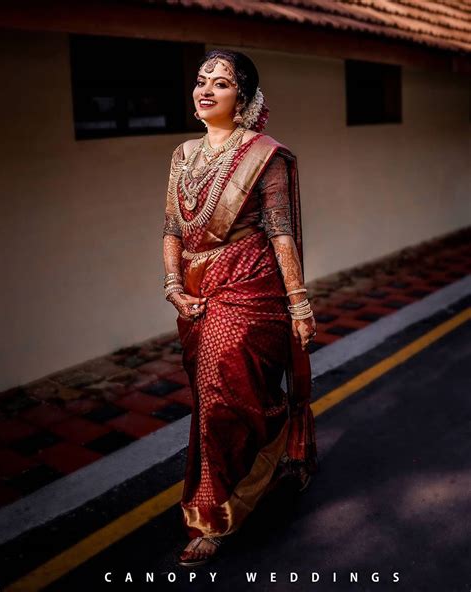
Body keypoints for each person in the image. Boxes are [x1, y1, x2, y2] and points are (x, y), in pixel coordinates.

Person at [162, 49, 319, 567]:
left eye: (221, 83)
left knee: (223, 393)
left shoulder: (264, 155)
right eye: (201, 80)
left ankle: (212, 515)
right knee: (213, 398)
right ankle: (271, 446)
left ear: (244, 99)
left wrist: (298, 304)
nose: (205, 89)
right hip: (195, 286)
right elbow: (171, 230)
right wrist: (172, 285)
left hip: (251, 289)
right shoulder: (183, 154)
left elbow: (280, 232)